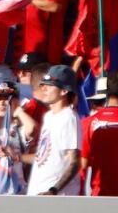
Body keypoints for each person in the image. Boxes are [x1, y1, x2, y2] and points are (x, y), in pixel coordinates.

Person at [27, 64, 83, 196]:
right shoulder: (48, 116)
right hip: (38, 194)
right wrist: (17, 157)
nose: (44, 89)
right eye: (43, 85)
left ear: (64, 91)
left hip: (57, 199)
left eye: (50, 85)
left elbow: (75, 162)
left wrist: (53, 190)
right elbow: (45, 157)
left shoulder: (69, 117)